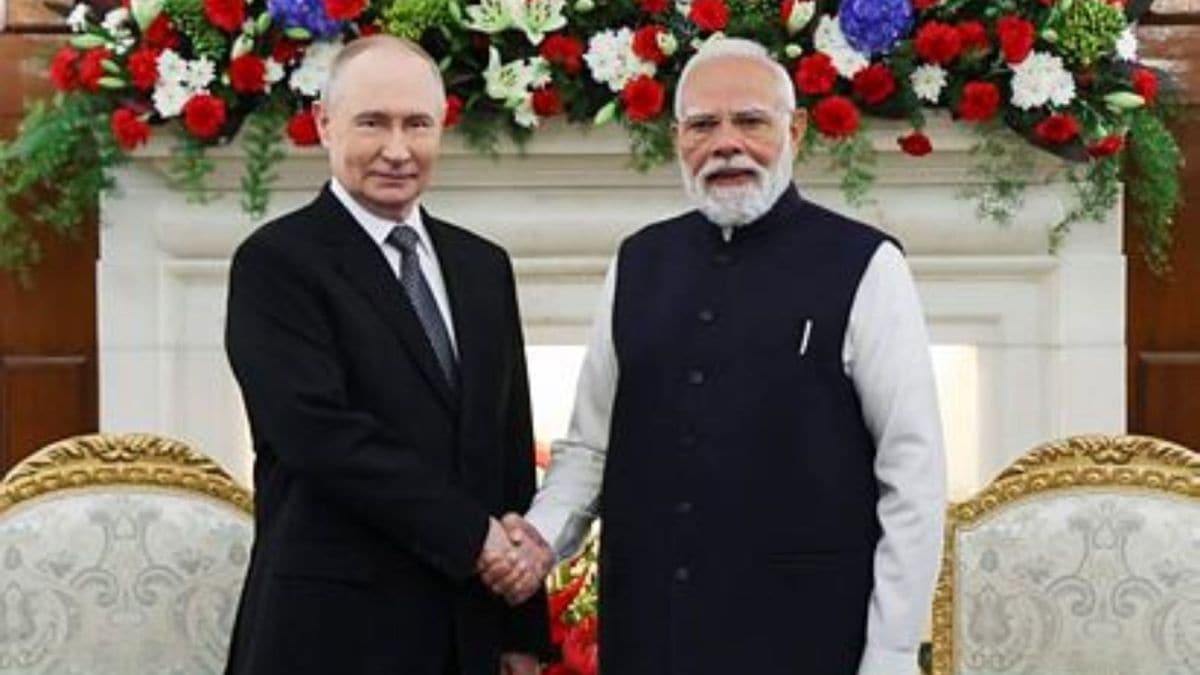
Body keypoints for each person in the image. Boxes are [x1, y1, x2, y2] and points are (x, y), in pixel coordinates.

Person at [498, 38, 947, 675]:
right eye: (703, 125)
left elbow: (912, 478)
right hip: (651, 638)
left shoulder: (867, 265)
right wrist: (540, 539)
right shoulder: (638, 261)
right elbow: (591, 449)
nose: (726, 144)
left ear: (795, 130)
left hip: (807, 641)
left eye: (751, 121)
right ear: (677, 138)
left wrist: (892, 655)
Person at [223, 35, 550, 675]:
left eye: (417, 125)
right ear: (324, 124)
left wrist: (521, 629)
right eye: (373, 123)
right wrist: (474, 536)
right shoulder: (276, 263)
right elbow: (320, 436)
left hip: (466, 632)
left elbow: (509, 447)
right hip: (331, 634)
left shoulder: (483, 266)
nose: (398, 150)